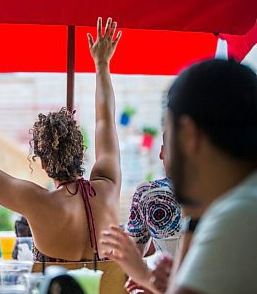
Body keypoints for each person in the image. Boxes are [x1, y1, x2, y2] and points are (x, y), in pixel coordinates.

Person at [0, 17, 122, 262]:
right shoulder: (108, 186)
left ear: (43, 162)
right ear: (81, 151)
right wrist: (102, 64)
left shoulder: (35, 201)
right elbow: (105, 121)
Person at [101, 59, 257, 294]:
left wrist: (144, 275)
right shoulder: (239, 203)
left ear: (188, 135)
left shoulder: (238, 216)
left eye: (169, 138)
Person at [126, 135, 181, 257]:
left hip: (169, 274)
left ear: (162, 152)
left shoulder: (148, 192)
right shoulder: (222, 192)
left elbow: (133, 253)